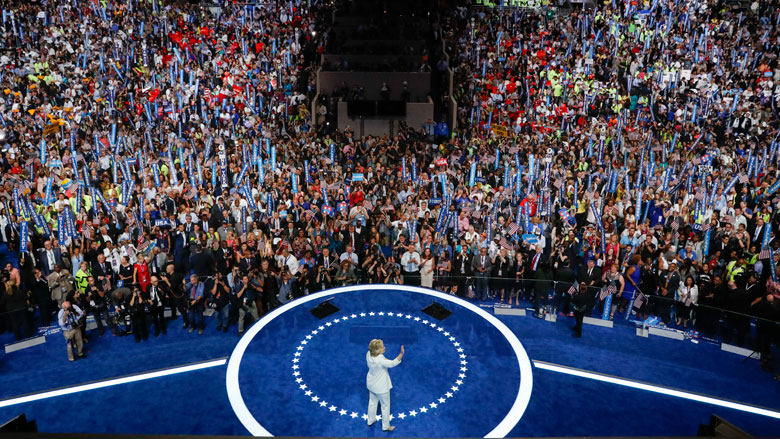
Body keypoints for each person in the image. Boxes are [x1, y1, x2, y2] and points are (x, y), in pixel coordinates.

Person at [366, 339, 405, 432]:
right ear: (377, 350)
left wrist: (374, 343)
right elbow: (392, 363)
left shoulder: (368, 354)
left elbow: (372, 345)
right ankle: (386, 426)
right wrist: (401, 354)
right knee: (385, 406)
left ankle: (370, 420)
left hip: (372, 385)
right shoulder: (381, 360)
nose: (384, 347)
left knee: (372, 402)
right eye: (382, 347)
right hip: (381, 388)